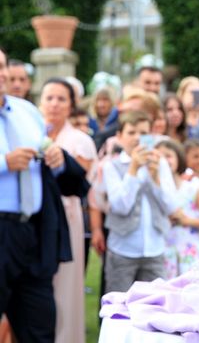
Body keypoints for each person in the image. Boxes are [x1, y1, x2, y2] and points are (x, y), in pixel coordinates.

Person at [0, 47, 89, 343]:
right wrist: (4, 164)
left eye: (3, 66)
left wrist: (56, 158)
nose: (1, 74)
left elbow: (44, 155)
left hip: (31, 232)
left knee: (39, 327)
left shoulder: (26, 111)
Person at [40, 78, 98, 343]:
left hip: (66, 214)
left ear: (71, 105)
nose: (54, 104)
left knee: (64, 285)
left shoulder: (80, 140)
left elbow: (82, 182)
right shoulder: (32, 132)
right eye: (49, 97)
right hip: (33, 217)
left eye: (61, 99)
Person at [102, 111, 179, 293]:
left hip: (155, 248)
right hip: (123, 249)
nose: (137, 138)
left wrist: (156, 180)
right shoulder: (111, 166)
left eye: (143, 133)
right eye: (131, 132)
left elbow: (171, 206)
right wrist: (133, 170)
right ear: (119, 137)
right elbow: (121, 206)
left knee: (154, 302)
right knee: (118, 303)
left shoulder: (159, 164)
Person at [155, 140, 199, 278]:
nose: (164, 161)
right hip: (164, 253)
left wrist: (186, 220)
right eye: (159, 156)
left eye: (168, 156)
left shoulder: (191, 188)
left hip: (190, 253)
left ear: (179, 158)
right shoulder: (154, 190)